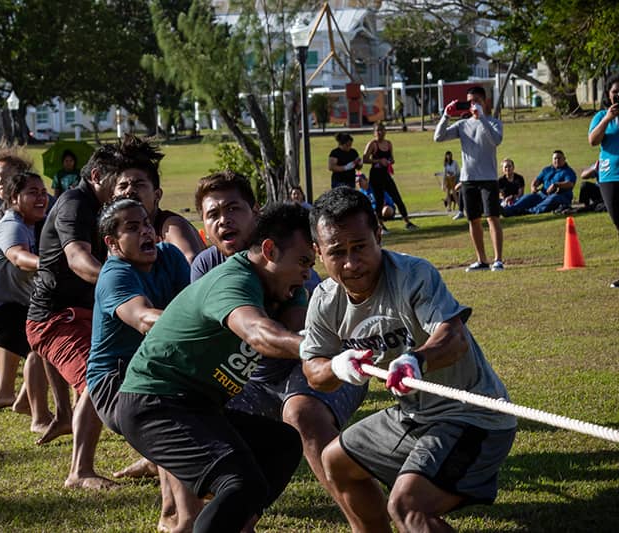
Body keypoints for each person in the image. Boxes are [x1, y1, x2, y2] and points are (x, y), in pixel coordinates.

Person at [301, 186, 517, 533]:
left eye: (360, 247)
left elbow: (454, 338)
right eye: (337, 252)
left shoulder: (413, 275)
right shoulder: (325, 301)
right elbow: (313, 372)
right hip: (412, 415)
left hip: (473, 414)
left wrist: (416, 360)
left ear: (379, 234)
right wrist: (338, 366)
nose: (352, 263)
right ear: (318, 253)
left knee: (407, 506)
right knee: (335, 461)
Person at [114, 202, 311, 533]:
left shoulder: (287, 290)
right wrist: (314, 347)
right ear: (269, 250)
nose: (307, 272)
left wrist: (340, 350)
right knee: (239, 482)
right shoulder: (234, 280)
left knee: (282, 446)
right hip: (154, 403)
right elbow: (259, 333)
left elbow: (296, 336)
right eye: (303, 261)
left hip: (198, 406)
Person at [189, 170, 366, 513]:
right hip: (252, 380)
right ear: (204, 225)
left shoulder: (290, 257)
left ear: (255, 213)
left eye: (233, 209)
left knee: (303, 412)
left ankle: (363, 517)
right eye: (213, 214)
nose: (224, 220)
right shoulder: (204, 266)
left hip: (319, 363)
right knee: (196, 416)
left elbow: (293, 335)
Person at [26, 136, 159, 489]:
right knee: (95, 381)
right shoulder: (76, 204)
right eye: (119, 182)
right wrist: (121, 287)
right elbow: (78, 260)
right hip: (57, 318)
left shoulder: (110, 211)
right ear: (99, 176)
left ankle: (153, 457)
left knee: (141, 373)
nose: (124, 190)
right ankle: (79, 472)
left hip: (90, 311)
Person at [86, 198, 195, 532]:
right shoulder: (114, 275)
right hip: (113, 382)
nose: (145, 232)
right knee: (169, 419)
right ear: (112, 243)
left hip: (158, 369)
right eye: (132, 228)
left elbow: (188, 302)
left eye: (146, 223)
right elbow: (145, 319)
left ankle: (173, 510)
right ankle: (181, 517)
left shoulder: (170, 257)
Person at [0, 170, 52, 431]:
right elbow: (18, 257)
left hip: (11, 303)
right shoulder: (12, 225)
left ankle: (24, 402)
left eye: (42, 192)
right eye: (32, 193)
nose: (41, 198)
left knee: (46, 342)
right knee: (41, 347)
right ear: (15, 198)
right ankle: (38, 418)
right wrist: (51, 265)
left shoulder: (32, 223)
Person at [434, 86, 505, 272]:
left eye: (477, 101)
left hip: (488, 178)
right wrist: (446, 115)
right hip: (468, 180)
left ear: (485, 102)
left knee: (492, 218)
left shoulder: (494, 122)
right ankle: (482, 260)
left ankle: (498, 260)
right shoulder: (462, 125)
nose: (473, 105)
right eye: (470, 101)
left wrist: (481, 117)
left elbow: (495, 140)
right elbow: (438, 138)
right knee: (473, 219)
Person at [109, 136, 205, 263]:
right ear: (113, 196)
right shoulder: (116, 234)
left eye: (139, 184)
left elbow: (191, 261)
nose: (130, 190)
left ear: (157, 195)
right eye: (123, 186)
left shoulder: (172, 226)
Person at [588, 72, 619, 288]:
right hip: (610, 177)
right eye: (615, 92)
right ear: (608, 94)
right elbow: (593, 140)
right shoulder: (601, 116)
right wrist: (608, 118)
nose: (618, 95)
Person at [363, 123, 417, 232]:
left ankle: (407, 222)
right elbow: (364, 159)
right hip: (375, 175)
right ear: (374, 132)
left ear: (385, 131)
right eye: (378, 130)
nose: (380, 133)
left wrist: (390, 161)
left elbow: (391, 157)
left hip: (386, 175)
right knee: (379, 201)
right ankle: (380, 226)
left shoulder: (388, 144)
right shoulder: (372, 144)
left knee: (397, 198)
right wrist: (378, 161)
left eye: (382, 130)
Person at [502, 150, 577, 216]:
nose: (557, 160)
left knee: (553, 199)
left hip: (560, 196)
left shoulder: (568, 171)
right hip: (542, 194)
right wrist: (533, 186)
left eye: (559, 158)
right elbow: (537, 180)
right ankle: (508, 210)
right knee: (528, 197)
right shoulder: (547, 169)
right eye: (555, 158)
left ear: (564, 159)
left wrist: (556, 185)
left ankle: (528, 212)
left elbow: (570, 184)